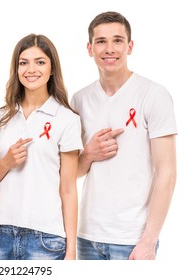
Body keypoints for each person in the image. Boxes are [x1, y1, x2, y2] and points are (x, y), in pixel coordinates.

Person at [71, 11, 177, 260]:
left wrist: (148, 242)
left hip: (132, 240)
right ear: (89, 48)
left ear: (130, 46)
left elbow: (168, 173)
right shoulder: (79, 99)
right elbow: (72, 172)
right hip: (87, 236)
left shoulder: (153, 94)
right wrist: (88, 155)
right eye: (101, 41)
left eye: (117, 40)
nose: (110, 49)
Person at [0, 34, 82, 260]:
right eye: (23, 62)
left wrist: (71, 251)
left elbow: (68, 189)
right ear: (16, 69)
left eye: (40, 62)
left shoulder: (66, 119)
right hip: (0, 233)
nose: (31, 69)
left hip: (46, 238)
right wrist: (7, 162)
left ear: (52, 69)